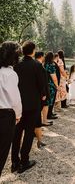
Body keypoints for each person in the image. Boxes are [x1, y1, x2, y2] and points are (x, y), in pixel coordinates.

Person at [11, 41, 45, 174]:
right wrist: (41, 96)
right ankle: (24, 161)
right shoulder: (37, 65)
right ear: (33, 51)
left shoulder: (15, 65)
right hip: (32, 105)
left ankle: (14, 162)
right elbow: (41, 85)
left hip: (18, 104)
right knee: (29, 133)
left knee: (17, 133)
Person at [0, 41, 22, 177]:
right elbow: (15, 99)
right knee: (1, 152)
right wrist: (18, 115)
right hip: (5, 116)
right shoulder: (9, 74)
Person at [35, 52, 52, 127]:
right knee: (41, 107)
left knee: (43, 106)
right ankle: (39, 124)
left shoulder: (40, 64)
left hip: (41, 91)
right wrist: (43, 93)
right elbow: (40, 81)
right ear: (41, 56)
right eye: (44, 56)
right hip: (41, 92)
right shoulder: (38, 65)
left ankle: (41, 122)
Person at [44, 52, 58, 120]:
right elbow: (54, 77)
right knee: (51, 100)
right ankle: (49, 115)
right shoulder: (51, 65)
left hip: (46, 84)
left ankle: (50, 113)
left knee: (48, 100)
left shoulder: (44, 64)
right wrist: (57, 86)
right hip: (51, 84)